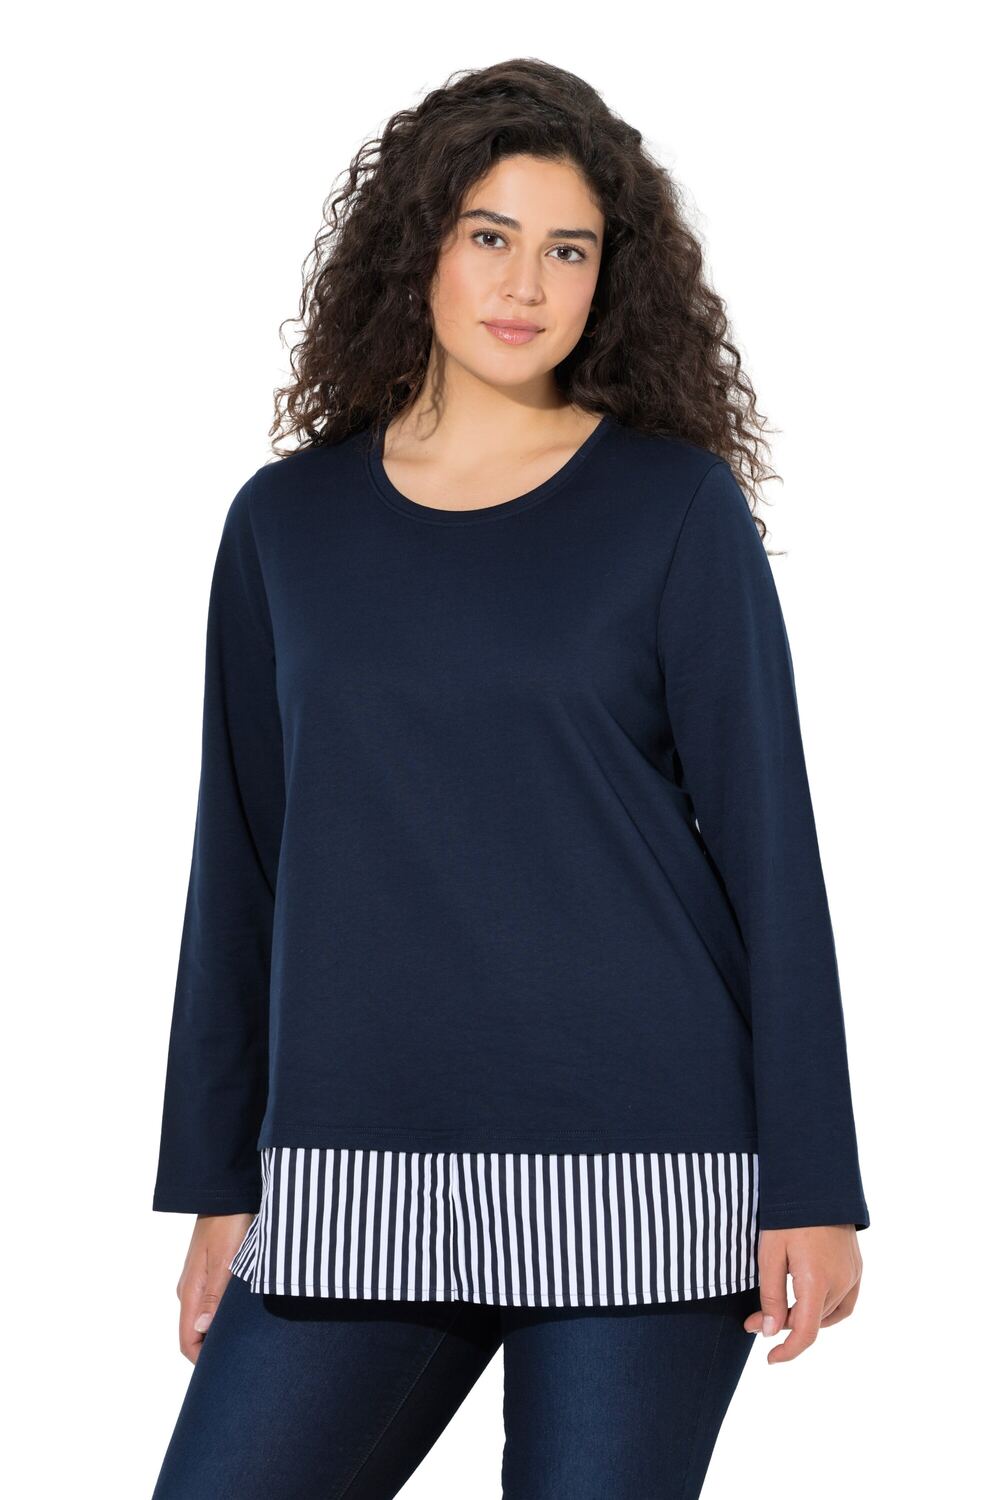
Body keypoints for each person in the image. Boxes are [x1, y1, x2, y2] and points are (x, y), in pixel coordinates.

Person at [150, 57, 869, 1499]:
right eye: (490, 235)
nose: (527, 284)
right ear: (418, 245)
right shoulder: (285, 525)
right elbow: (244, 860)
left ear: (613, 276)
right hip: (356, 1165)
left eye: (569, 249)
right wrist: (220, 1179)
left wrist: (814, 1183)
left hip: (649, 1167)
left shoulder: (673, 507)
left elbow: (771, 855)